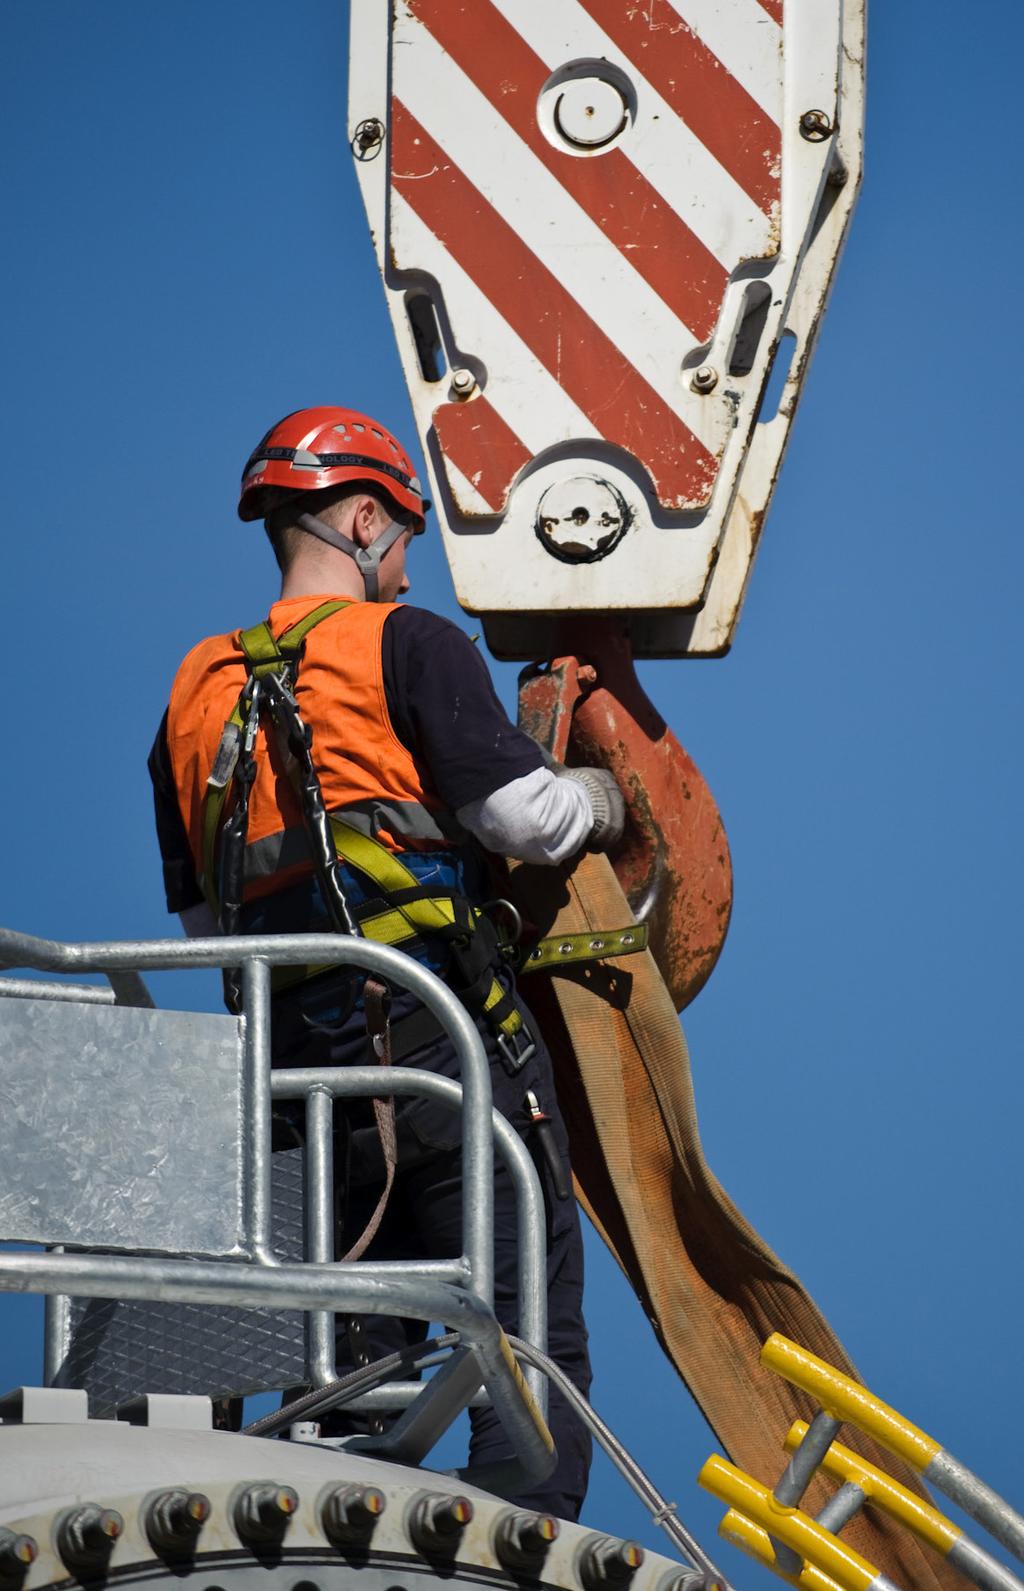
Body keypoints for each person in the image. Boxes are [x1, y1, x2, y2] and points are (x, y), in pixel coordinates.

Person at [148, 406, 625, 1521]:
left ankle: (343, 1527)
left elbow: (207, 934)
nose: (406, 571)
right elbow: (522, 814)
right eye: (404, 538)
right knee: (524, 1323)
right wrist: (604, 801)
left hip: (296, 1092)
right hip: (446, 1055)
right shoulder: (406, 646)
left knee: (347, 1358)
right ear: (364, 519)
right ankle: (523, 1538)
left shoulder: (192, 690)